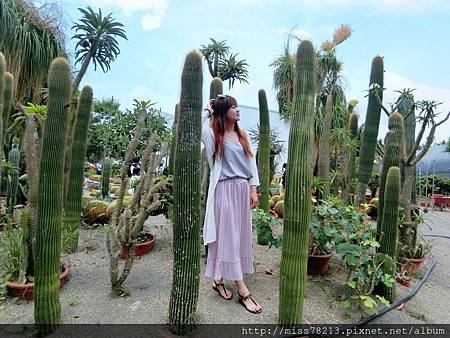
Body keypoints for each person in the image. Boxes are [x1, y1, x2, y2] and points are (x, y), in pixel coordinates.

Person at [201, 94, 262, 314]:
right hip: (224, 191)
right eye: (233, 107)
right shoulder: (212, 135)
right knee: (229, 237)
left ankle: (218, 280)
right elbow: (193, 130)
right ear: (222, 111)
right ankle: (242, 289)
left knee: (239, 237)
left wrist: (253, 189)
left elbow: (251, 163)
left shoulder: (242, 134)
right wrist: (208, 110)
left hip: (242, 190)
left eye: (237, 106)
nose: (238, 110)